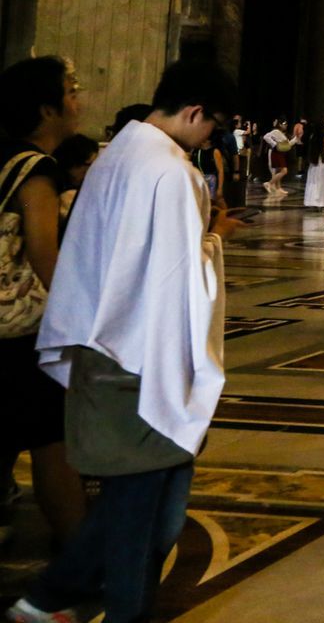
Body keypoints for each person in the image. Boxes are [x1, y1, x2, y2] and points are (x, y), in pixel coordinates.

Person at [13, 61, 243, 623]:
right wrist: (214, 239)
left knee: (141, 509)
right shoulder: (171, 171)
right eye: (210, 126)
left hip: (101, 344)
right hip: (141, 360)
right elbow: (179, 282)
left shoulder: (116, 153)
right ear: (193, 112)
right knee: (142, 522)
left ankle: (39, 601)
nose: (209, 137)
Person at [0, 57, 89, 545]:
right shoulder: (37, 169)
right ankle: (78, 558)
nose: (78, 101)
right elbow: (43, 255)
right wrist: (79, 317)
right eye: (70, 91)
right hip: (19, 332)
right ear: (46, 108)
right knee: (53, 445)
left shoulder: (4, 155)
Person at [302, 120, 324, 214]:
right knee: (323, 184)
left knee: (313, 183)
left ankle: (313, 202)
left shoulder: (312, 138)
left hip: (314, 164)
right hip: (322, 164)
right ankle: (322, 203)